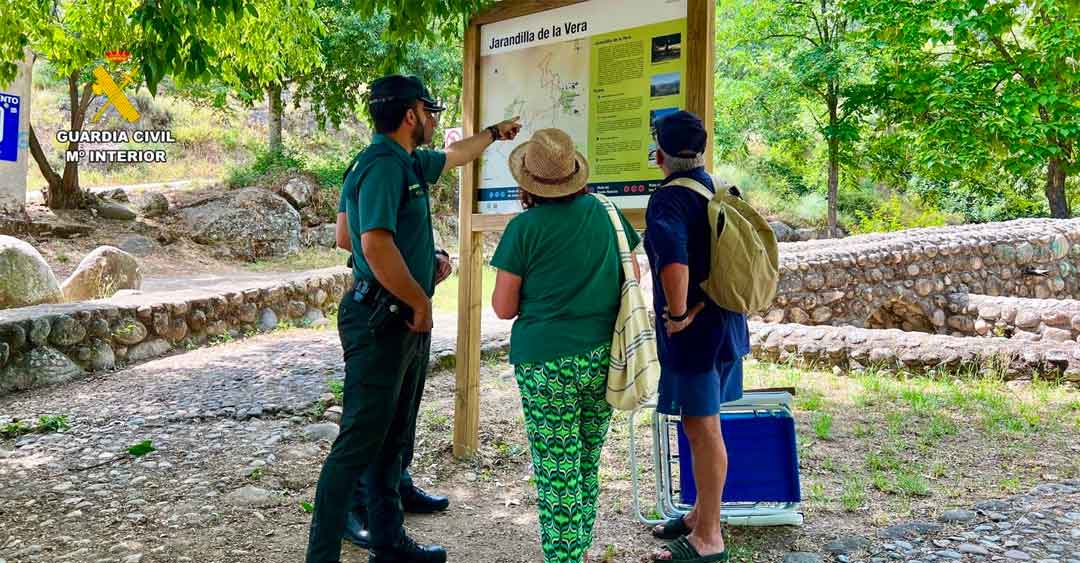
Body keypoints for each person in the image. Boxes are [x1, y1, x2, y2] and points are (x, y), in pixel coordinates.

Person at [306, 74, 520, 563]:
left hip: (397, 315)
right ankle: (321, 555)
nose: (433, 121)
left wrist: (493, 133)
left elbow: (345, 233)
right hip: (385, 318)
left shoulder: (399, 162)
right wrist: (419, 299)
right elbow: (371, 242)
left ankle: (390, 543)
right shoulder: (383, 166)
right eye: (429, 111)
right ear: (411, 115)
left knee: (391, 437)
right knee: (358, 442)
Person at [490, 128, 641, 563]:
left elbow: (503, 307)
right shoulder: (606, 214)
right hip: (601, 356)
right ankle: (579, 548)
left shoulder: (523, 229)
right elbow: (633, 277)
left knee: (556, 467)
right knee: (585, 460)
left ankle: (564, 557)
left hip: (544, 363)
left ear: (528, 182)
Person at [644, 111, 749, 563]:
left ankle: (709, 538)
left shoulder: (668, 199)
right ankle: (699, 516)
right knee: (704, 427)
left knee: (702, 429)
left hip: (696, 333)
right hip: (727, 326)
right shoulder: (717, 187)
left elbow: (675, 263)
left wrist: (679, 313)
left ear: (660, 153)